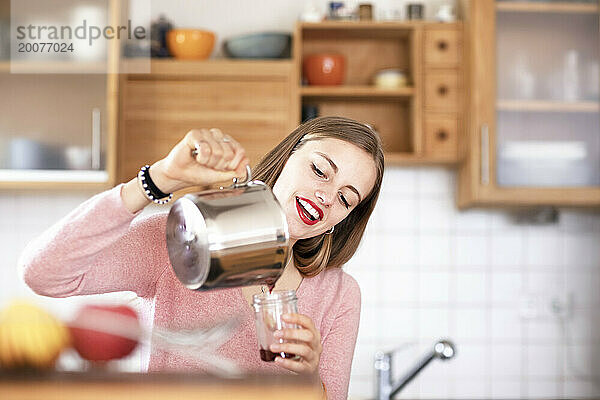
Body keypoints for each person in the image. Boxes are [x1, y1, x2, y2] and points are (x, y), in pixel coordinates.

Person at [20, 116, 384, 399]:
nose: (325, 196)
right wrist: (156, 181)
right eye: (320, 170)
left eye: (345, 199)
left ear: (344, 219)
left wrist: (308, 376)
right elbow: (43, 273)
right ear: (285, 157)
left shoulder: (339, 294)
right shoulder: (185, 239)